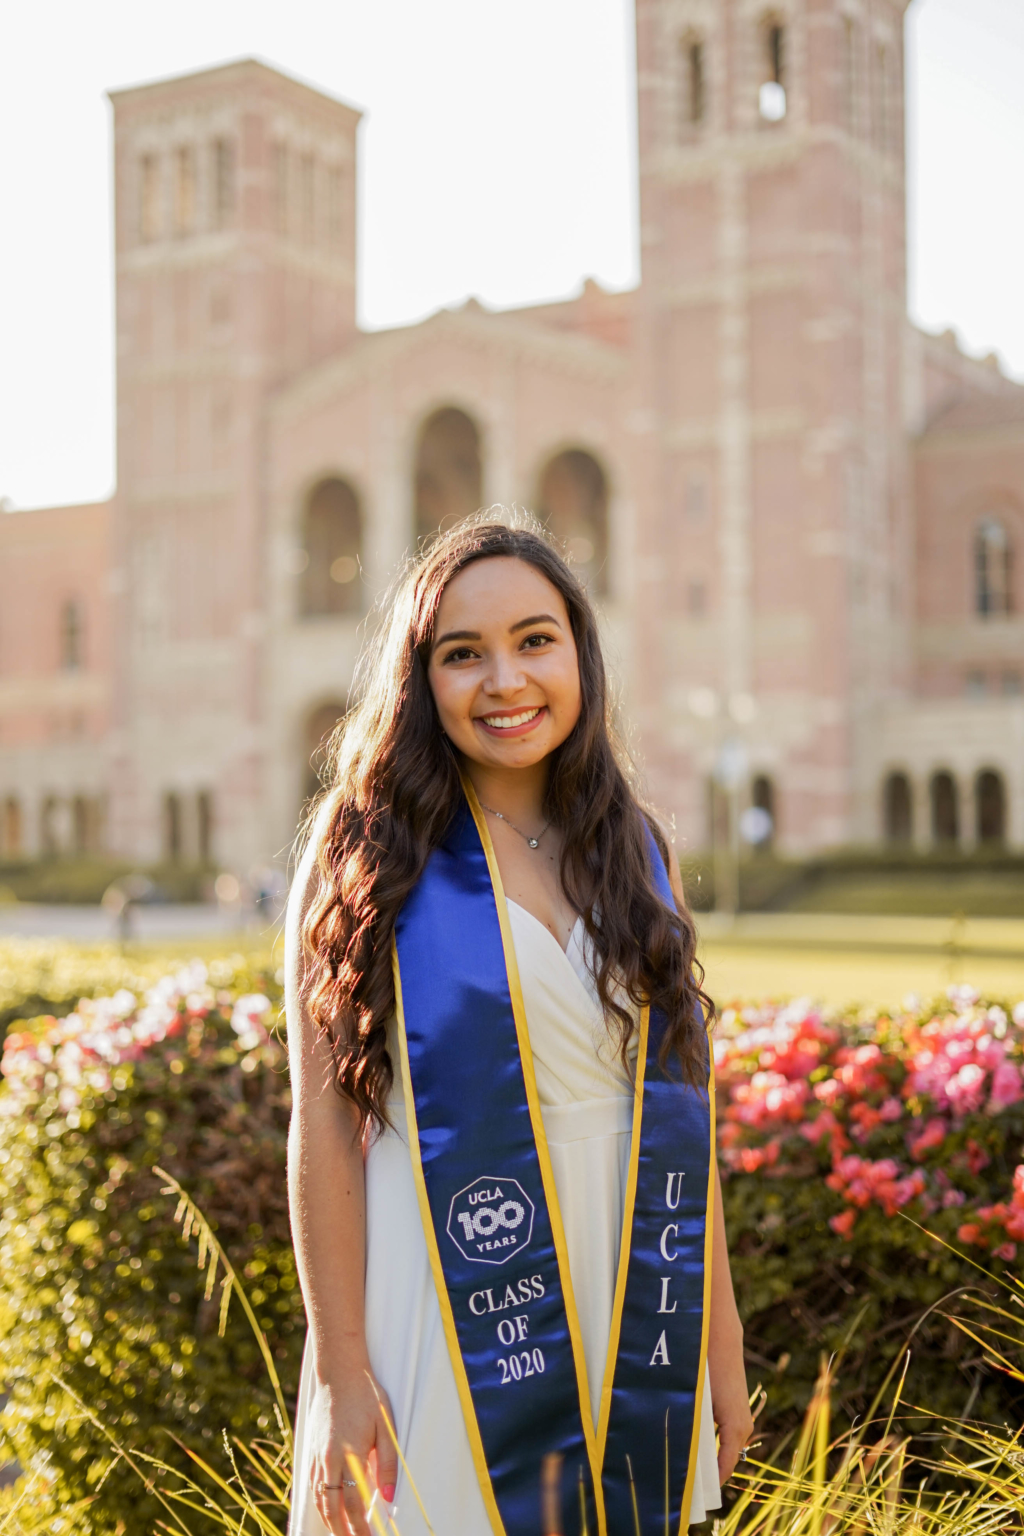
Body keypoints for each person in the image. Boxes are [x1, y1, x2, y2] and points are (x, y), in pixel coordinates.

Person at [286, 515, 752, 1536]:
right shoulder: (367, 852)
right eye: (463, 654)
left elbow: (679, 1115)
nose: (505, 680)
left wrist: (719, 1344)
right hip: (449, 1291)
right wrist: (340, 1371)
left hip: (633, 1297)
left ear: (579, 650)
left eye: (534, 640)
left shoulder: (633, 848)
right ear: (423, 679)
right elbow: (323, 1124)